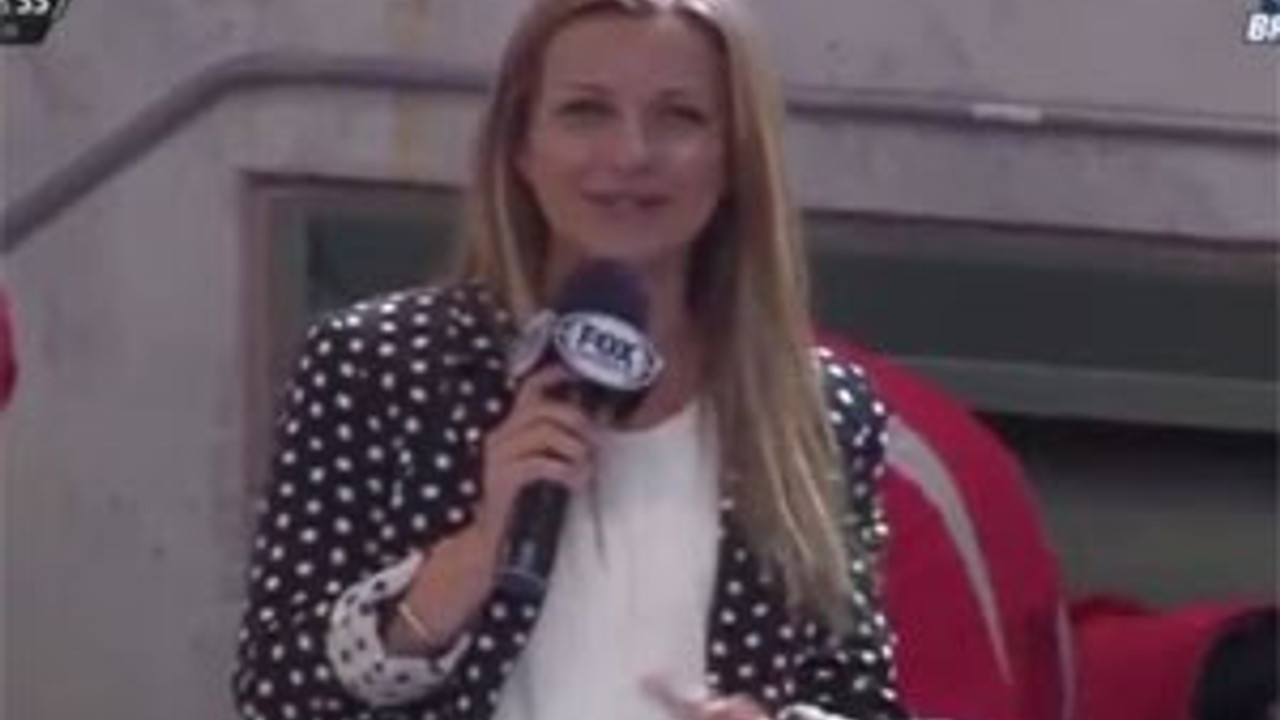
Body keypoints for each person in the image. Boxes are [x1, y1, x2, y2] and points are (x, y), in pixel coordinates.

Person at [231, 1, 907, 719]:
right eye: (586, 112)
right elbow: (278, 692)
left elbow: (860, 697)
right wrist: (472, 554)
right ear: (520, 145)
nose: (631, 154)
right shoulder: (379, 366)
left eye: (679, 117)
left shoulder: (820, 409)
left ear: (736, 157)